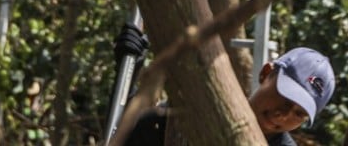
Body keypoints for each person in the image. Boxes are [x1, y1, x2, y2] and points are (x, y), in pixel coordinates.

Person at [124, 47, 335, 145]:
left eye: (299, 113)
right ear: (266, 74)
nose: (283, 115)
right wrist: (128, 75)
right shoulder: (191, 116)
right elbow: (131, 135)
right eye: (285, 97)